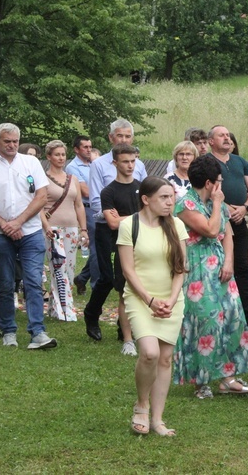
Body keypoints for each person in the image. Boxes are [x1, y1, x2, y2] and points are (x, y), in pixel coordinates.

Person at [174, 155, 248, 399]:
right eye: (219, 181)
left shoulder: (219, 205)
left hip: (221, 267)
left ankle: (228, 378)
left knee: (232, 319)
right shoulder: (185, 205)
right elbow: (211, 229)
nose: (221, 186)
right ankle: (200, 381)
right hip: (197, 269)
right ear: (209, 183)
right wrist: (216, 204)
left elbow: (228, 234)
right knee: (205, 322)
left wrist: (229, 262)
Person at [117, 177, 188, 436]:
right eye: (164, 197)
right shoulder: (129, 225)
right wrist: (150, 300)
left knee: (165, 358)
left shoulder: (177, 225)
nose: (170, 202)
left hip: (171, 300)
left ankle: (158, 419)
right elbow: (128, 270)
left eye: (172, 197)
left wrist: (169, 300)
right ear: (146, 200)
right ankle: (141, 404)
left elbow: (181, 269)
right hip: (140, 298)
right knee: (149, 353)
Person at [0, 123, 56, 349]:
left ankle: (37, 331)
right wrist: (5, 224)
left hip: (30, 231)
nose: (11, 145)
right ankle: (9, 331)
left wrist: (18, 222)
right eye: (7, 141)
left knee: (32, 280)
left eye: (15, 141)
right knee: (6, 282)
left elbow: (41, 196)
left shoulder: (30, 163)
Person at [85, 119, 147, 342]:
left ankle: (125, 328)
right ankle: (91, 313)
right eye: (119, 136)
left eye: (127, 136)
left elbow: (145, 196)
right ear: (111, 138)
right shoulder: (100, 164)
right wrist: (115, 216)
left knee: (130, 277)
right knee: (108, 277)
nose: (123, 140)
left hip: (133, 230)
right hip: (106, 228)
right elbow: (95, 202)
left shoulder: (137, 164)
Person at [208, 125, 248, 330]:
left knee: (242, 266)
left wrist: (244, 207)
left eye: (228, 135)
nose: (227, 138)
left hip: (240, 220)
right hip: (216, 219)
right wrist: (227, 208)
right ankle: (221, 312)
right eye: (221, 135)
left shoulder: (240, 162)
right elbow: (206, 191)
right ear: (210, 141)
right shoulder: (207, 162)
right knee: (218, 267)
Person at [100, 144, 142, 356]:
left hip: (147, 246)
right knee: (125, 294)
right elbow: (113, 224)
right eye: (125, 161)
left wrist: (124, 218)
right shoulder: (109, 192)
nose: (130, 165)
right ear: (115, 163)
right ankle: (127, 339)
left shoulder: (144, 187)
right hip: (125, 247)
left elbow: (156, 217)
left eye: (133, 161)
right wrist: (139, 217)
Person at [40, 140, 89, 321]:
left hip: (71, 228)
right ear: (49, 157)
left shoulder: (72, 179)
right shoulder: (43, 179)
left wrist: (83, 229)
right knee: (57, 267)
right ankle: (66, 310)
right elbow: (39, 206)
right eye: (57, 154)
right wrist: (46, 226)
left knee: (69, 268)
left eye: (63, 154)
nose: (61, 158)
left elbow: (79, 206)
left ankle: (55, 307)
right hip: (52, 228)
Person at [68, 135, 98, 296]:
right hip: (86, 208)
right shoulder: (73, 167)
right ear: (76, 149)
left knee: (101, 247)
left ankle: (83, 277)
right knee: (95, 247)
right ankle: (97, 283)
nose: (88, 150)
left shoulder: (94, 163)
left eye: (90, 147)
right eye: (85, 147)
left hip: (99, 207)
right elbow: (85, 191)